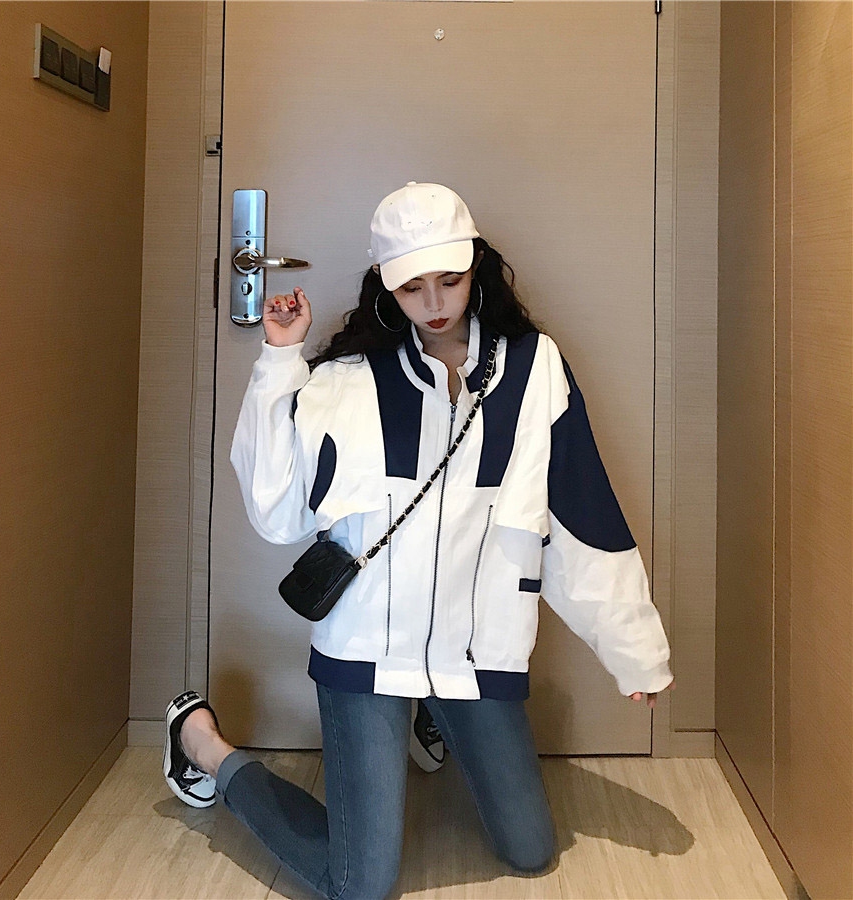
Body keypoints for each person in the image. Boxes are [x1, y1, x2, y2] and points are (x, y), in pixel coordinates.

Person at [162, 181, 676, 900]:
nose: (434, 302)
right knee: (360, 884)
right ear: (385, 284)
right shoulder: (347, 379)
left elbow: (581, 516)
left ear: (476, 266)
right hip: (365, 650)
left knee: (531, 850)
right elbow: (276, 514)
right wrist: (279, 361)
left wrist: (633, 649)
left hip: (475, 650)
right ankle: (204, 746)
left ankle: (429, 714)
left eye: (450, 280)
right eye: (411, 287)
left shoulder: (534, 368)